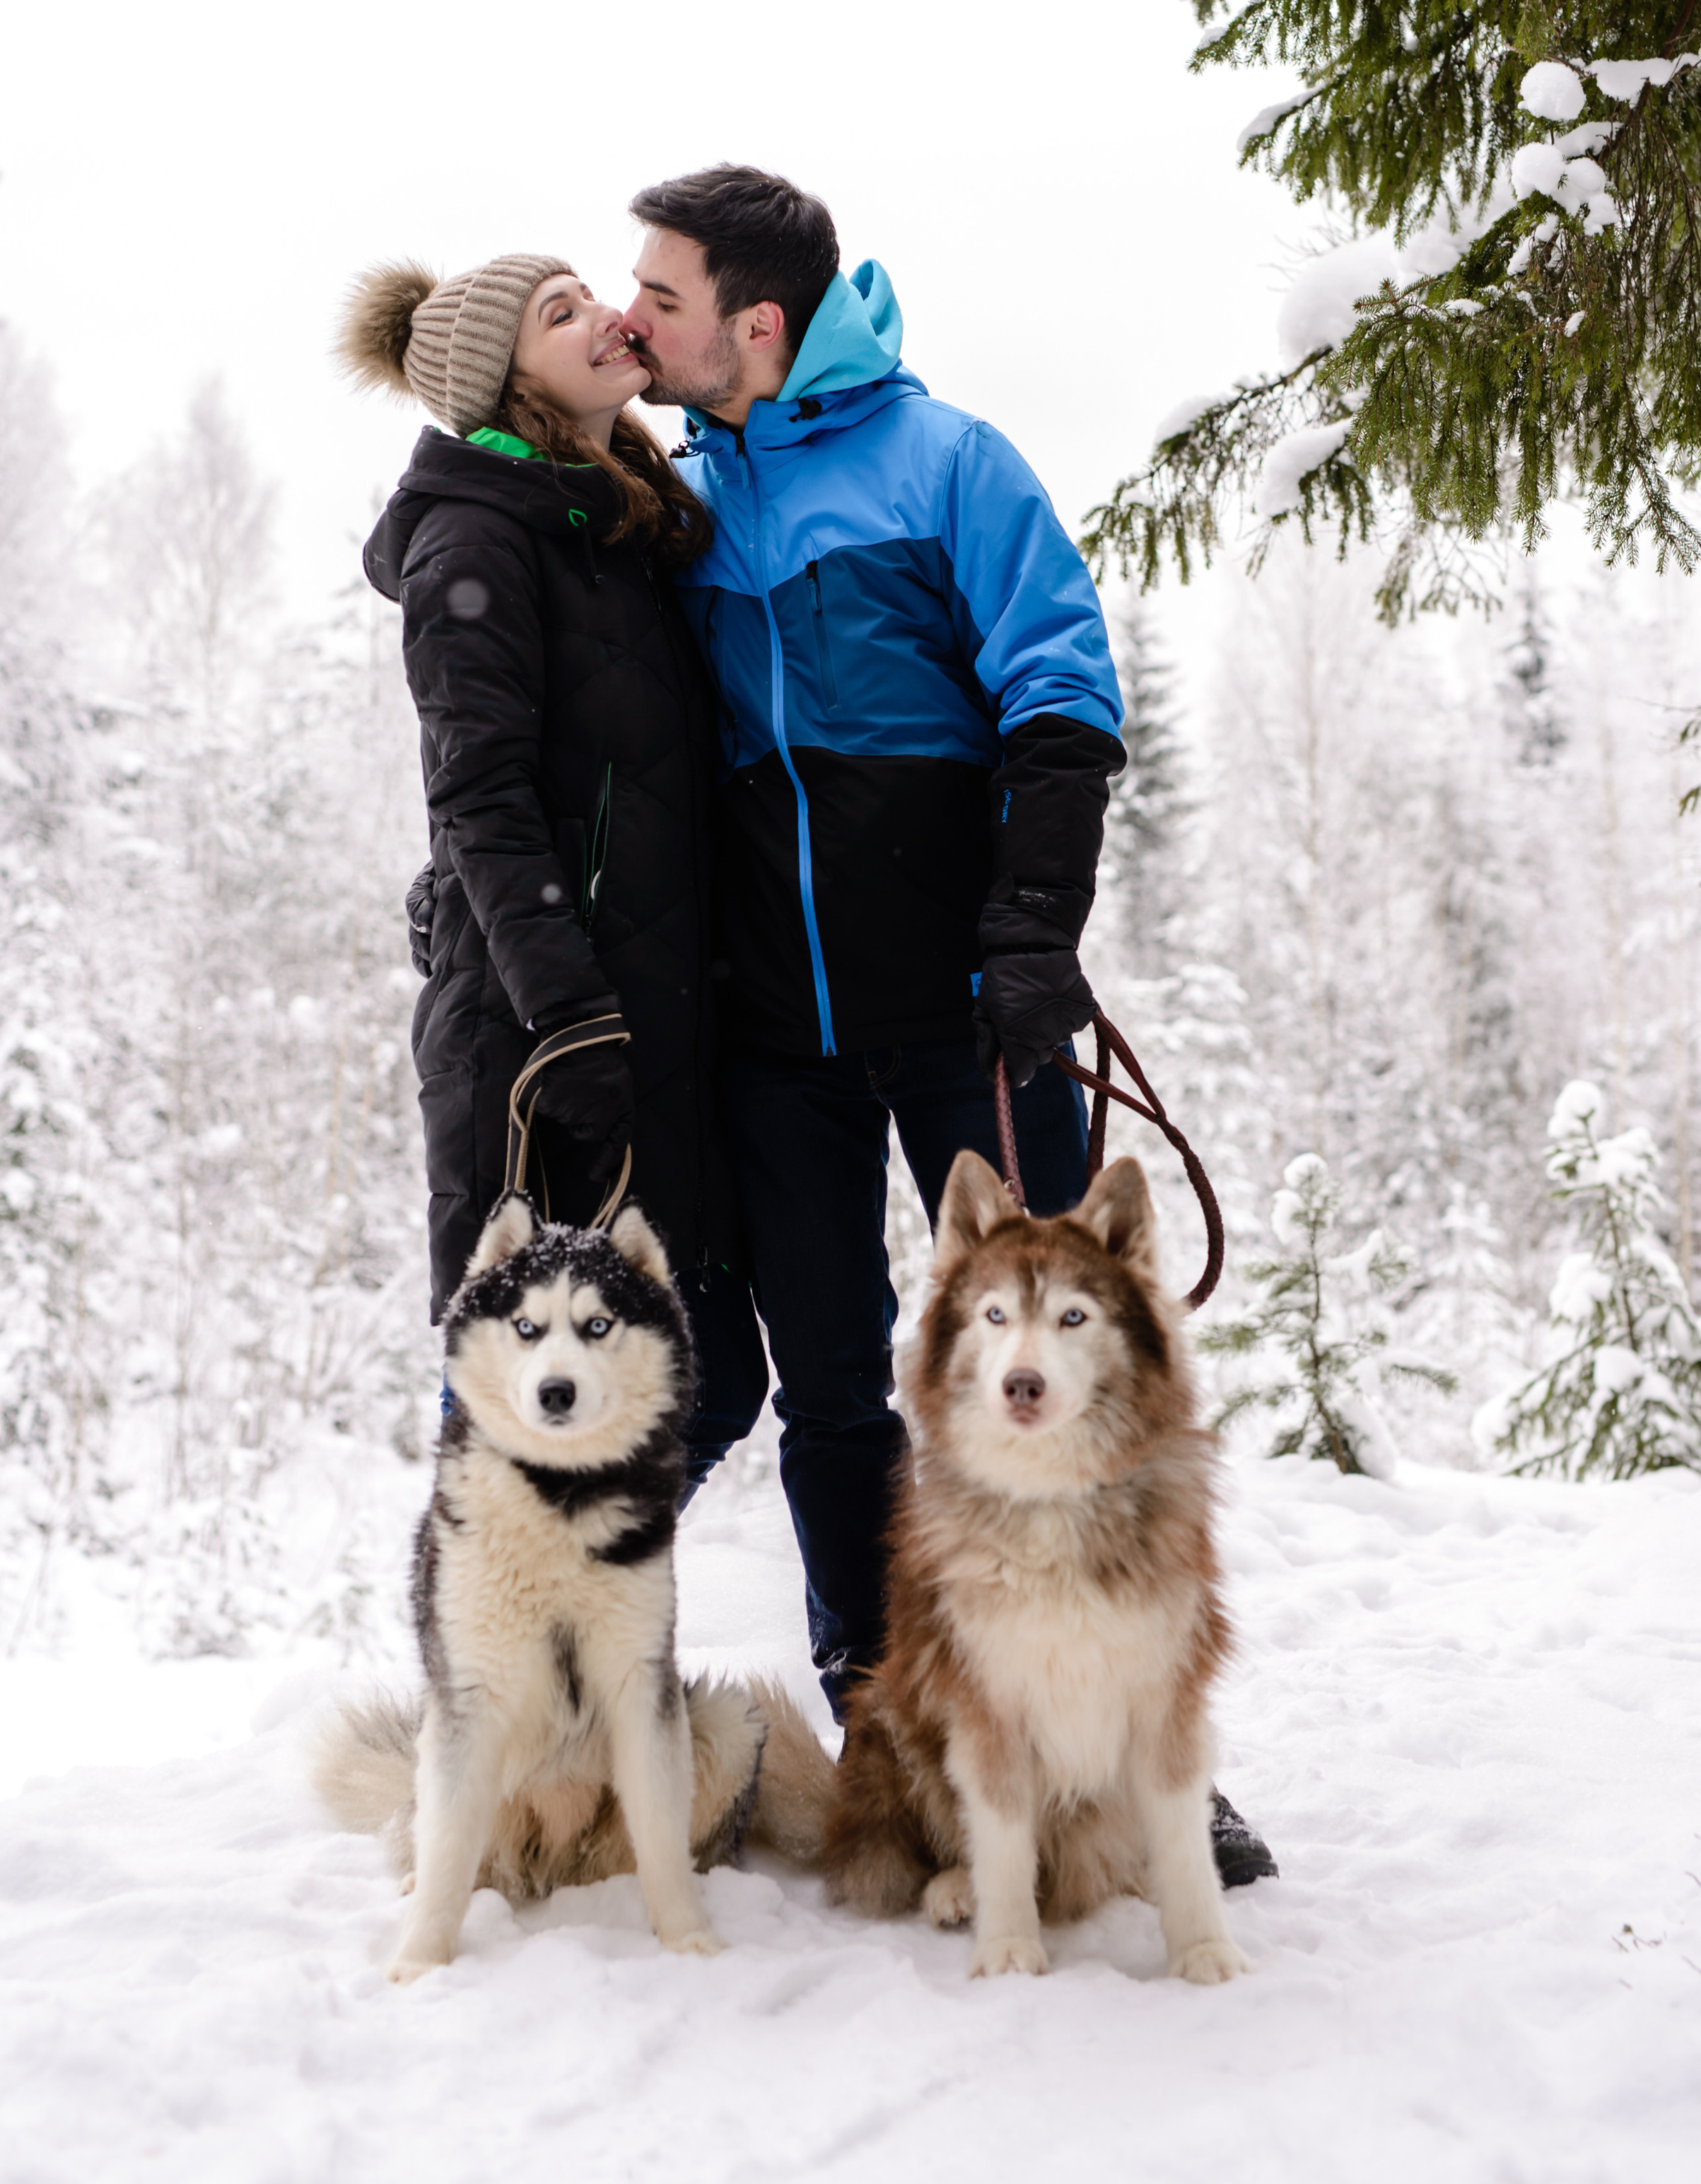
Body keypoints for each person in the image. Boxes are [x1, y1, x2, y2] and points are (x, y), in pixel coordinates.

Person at [617, 167, 1125, 1710]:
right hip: (774, 1033)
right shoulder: (678, 499)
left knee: (1049, 1365)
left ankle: (1098, 1698)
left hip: (969, 1008)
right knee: (833, 1388)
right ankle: (878, 1702)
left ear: (754, 324)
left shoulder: (946, 464)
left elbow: (1062, 693)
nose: (630, 317)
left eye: (659, 296)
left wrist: (1032, 932)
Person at [341, 251, 733, 1323]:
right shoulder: (476, 539)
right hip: (540, 1034)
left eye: (587, 292)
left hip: (646, 1020)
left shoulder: (623, 529)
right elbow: (481, 793)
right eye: (561, 314)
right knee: (522, 1424)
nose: (611, 315)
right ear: (511, 383)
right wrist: (565, 1016)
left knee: (693, 1386)